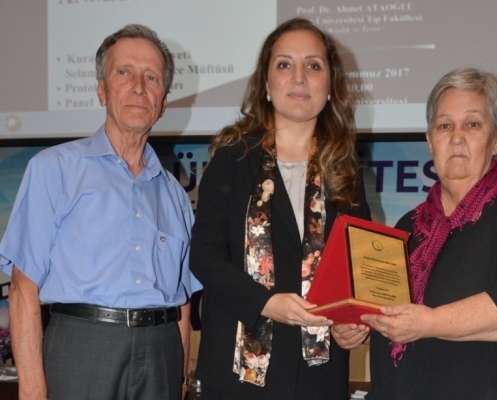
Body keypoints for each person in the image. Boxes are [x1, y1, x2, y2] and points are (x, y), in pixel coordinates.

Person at [357, 67, 497, 399]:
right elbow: (387, 311)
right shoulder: (408, 226)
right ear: (430, 141)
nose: (456, 137)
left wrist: (431, 322)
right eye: (444, 125)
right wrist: (359, 327)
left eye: (473, 124)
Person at [0, 24, 201, 400]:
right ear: (101, 89)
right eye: (124, 72)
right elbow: (23, 288)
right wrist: (32, 389)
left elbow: (182, 300)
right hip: (82, 348)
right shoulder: (54, 169)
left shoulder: (175, 194)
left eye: (152, 77)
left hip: (161, 352)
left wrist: (178, 381)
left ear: (163, 101)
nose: (138, 87)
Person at [189, 17, 371, 400]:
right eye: (285, 64)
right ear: (267, 83)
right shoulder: (233, 158)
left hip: (318, 377)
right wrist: (267, 303)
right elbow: (205, 257)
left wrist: (351, 326)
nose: (299, 78)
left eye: (313, 66)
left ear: (330, 85)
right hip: (238, 376)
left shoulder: (345, 170)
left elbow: (358, 272)